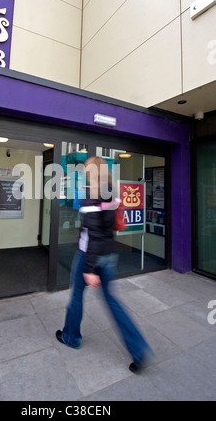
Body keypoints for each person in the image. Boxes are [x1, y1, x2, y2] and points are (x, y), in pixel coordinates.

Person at [56, 156, 151, 373]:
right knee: (112, 301)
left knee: (77, 295)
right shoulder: (111, 192)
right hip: (109, 255)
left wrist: (89, 269)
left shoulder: (92, 197)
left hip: (89, 256)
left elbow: (94, 236)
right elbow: (109, 229)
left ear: (90, 172)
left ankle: (71, 337)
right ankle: (138, 349)